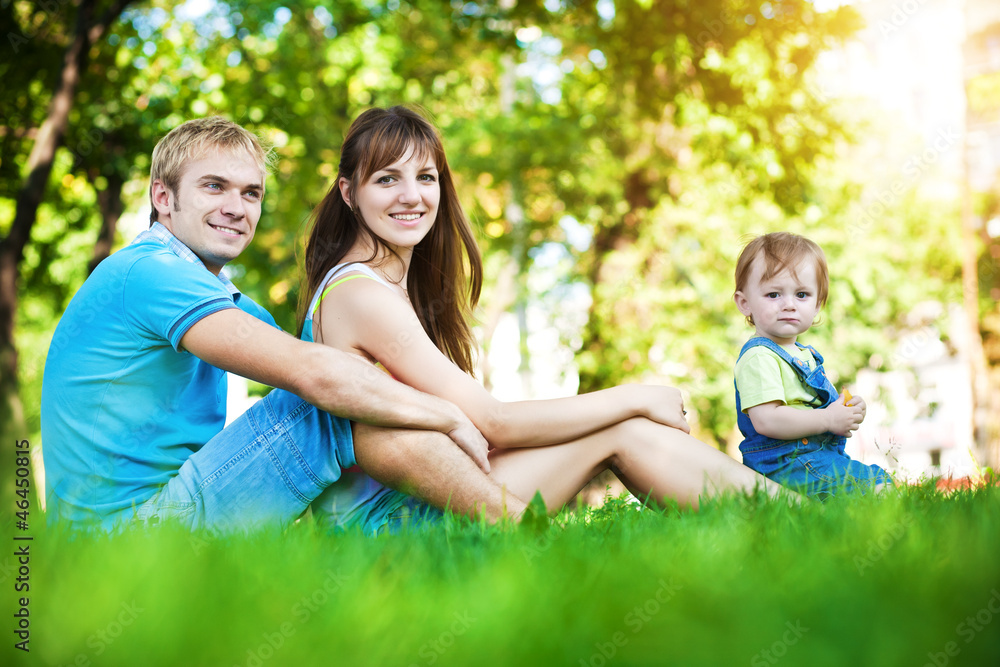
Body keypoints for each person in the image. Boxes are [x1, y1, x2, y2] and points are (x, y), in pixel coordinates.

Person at [298, 106, 789, 535]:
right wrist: (636, 396)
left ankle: (784, 519)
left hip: (427, 496)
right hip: (388, 526)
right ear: (348, 192)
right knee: (626, 427)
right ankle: (796, 517)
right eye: (387, 179)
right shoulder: (360, 292)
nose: (412, 196)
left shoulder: (381, 286)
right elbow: (494, 423)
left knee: (625, 427)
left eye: (426, 177)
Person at [41, 116, 526, 532]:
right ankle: (519, 525)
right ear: (163, 197)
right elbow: (319, 378)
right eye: (214, 186)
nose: (236, 207)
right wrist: (448, 414)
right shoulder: (147, 272)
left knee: (349, 387)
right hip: (122, 537)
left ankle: (442, 532)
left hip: (166, 511)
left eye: (250, 193)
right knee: (330, 398)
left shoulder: (228, 303)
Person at [732, 232, 892, 498]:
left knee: (878, 480)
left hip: (812, 457)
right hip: (784, 463)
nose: (789, 305)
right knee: (872, 488)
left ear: (817, 304)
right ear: (744, 303)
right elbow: (766, 420)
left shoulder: (804, 354)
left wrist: (843, 410)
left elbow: (809, 409)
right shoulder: (759, 357)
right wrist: (827, 419)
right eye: (773, 294)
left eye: (802, 294)